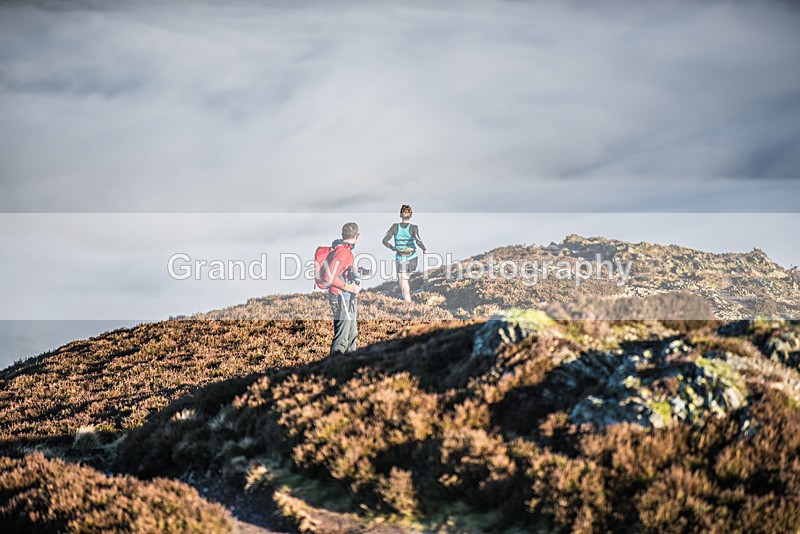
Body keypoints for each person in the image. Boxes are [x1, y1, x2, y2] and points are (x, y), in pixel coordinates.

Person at [325, 222, 362, 354]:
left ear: (342, 235)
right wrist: (349, 287)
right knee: (342, 338)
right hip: (342, 297)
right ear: (357, 236)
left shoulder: (343, 251)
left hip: (347, 297)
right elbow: (329, 277)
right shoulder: (343, 252)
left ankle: (350, 367)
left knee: (352, 334)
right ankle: (333, 368)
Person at [382, 204, 427, 302]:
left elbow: (384, 241)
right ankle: (414, 294)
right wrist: (424, 249)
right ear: (411, 215)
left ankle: (408, 301)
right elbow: (418, 240)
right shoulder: (414, 227)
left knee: (403, 281)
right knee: (407, 277)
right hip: (412, 258)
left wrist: (392, 248)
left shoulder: (394, 227)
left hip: (400, 257)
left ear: (400, 215)